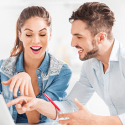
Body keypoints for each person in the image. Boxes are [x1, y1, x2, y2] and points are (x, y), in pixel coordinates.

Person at [7, 2, 125, 125]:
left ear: (101, 38)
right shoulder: (90, 66)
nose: (72, 44)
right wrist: (37, 103)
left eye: (79, 37)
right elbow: (69, 106)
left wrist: (95, 121)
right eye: (73, 36)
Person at [0, 6, 72, 124]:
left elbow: (36, 120)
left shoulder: (62, 72)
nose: (36, 41)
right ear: (20, 35)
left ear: (50, 35)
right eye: (29, 35)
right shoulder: (3, 68)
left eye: (42, 34)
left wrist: (26, 81)